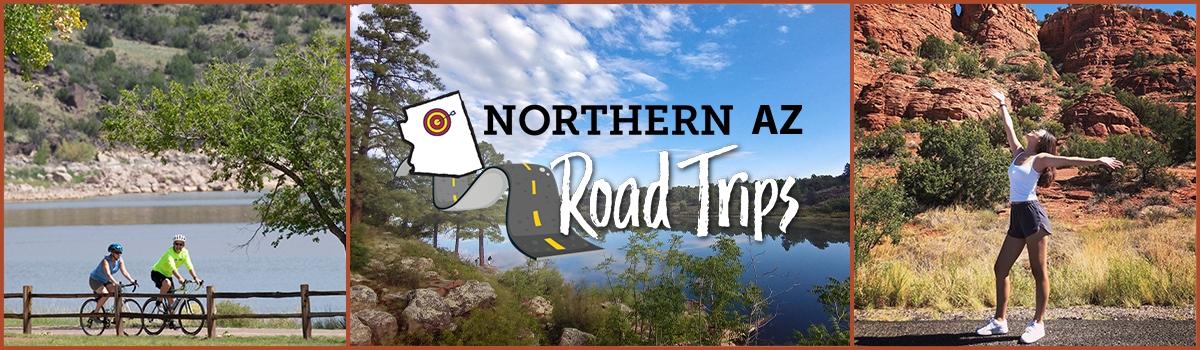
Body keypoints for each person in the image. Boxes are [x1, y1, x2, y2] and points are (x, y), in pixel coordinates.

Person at [975, 88, 1123, 344]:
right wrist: (1002, 104)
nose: (1035, 129)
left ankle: (1038, 324)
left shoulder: (1041, 158)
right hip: (1017, 215)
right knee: (1001, 268)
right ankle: (999, 321)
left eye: (1039, 131)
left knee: (1038, 270)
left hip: (1033, 215)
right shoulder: (1020, 153)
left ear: (1042, 141)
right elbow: (1009, 128)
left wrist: (1097, 161)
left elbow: (1067, 159)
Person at [151, 234, 203, 321]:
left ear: (184, 245)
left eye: (181, 244)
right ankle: (159, 302)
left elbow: (189, 266)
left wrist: (195, 278)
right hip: (157, 273)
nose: (178, 246)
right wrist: (179, 278)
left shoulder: (185, 253)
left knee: (172, 301)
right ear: (173, 244)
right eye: (177, 244)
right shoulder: (169, 253)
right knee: (167, 283)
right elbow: (173, 268)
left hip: (168, 275)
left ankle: (171, 321)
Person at [88, 243, 137, 323]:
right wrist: (115, 282)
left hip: (105, 280)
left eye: (120, 253)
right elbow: (108, 274)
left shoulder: (120, 260)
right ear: (112, 253)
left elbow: (124, 272)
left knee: (116, 292)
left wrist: (132, 280)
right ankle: (94, 314)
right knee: (106, 294)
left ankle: (115, 315)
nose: (119, 255)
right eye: (117, 253)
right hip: (95, 280)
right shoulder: (106, 261)